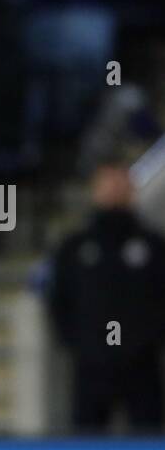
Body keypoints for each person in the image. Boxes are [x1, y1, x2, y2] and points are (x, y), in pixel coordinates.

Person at [46, 161, 165, 431]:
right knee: (87, 444)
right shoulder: (74, 248)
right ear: (95, 190)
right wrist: (80, 342)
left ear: (131, 188)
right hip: (91, 366)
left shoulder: (154, 246)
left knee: (148, 442)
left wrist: (146, 341)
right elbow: (60, 301)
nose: (114, 189)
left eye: (120, 182)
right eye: (107, 183)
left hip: (142, 365)